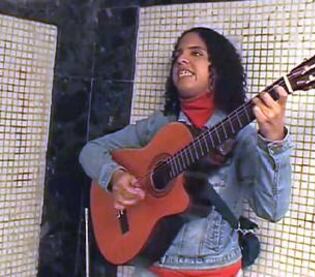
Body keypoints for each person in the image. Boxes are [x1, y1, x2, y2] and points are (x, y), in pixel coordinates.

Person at [79, 27, 293, 276]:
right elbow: (91, 151)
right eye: (178, 54)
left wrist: (274, 140)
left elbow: (272, 210)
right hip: (153, 267)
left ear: (218, 70)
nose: (182, 59)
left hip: (216, 270)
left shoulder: (240, 134)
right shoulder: (159, 126)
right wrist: (114, 177)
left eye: (196, 53)